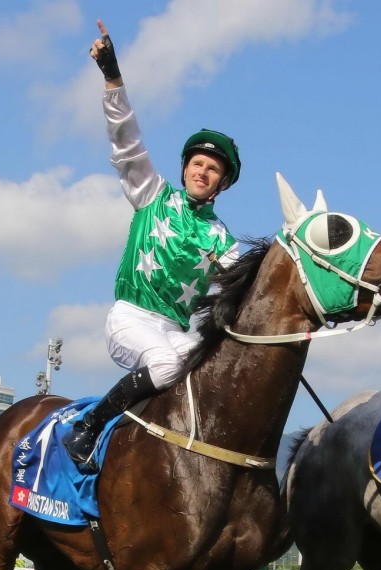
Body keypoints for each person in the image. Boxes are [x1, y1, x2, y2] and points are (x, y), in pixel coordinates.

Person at [61, 18, 243, 471]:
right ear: (185, 169)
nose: (202, 171)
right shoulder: (152, 195)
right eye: (197, 163)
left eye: (213, 169)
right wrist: (112, 79)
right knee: (164, 365)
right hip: (131, 319)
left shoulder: (223, 239)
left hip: (178, 333)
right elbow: (128, 142)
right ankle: (90, 426)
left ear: (222, 184)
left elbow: (237, 297)